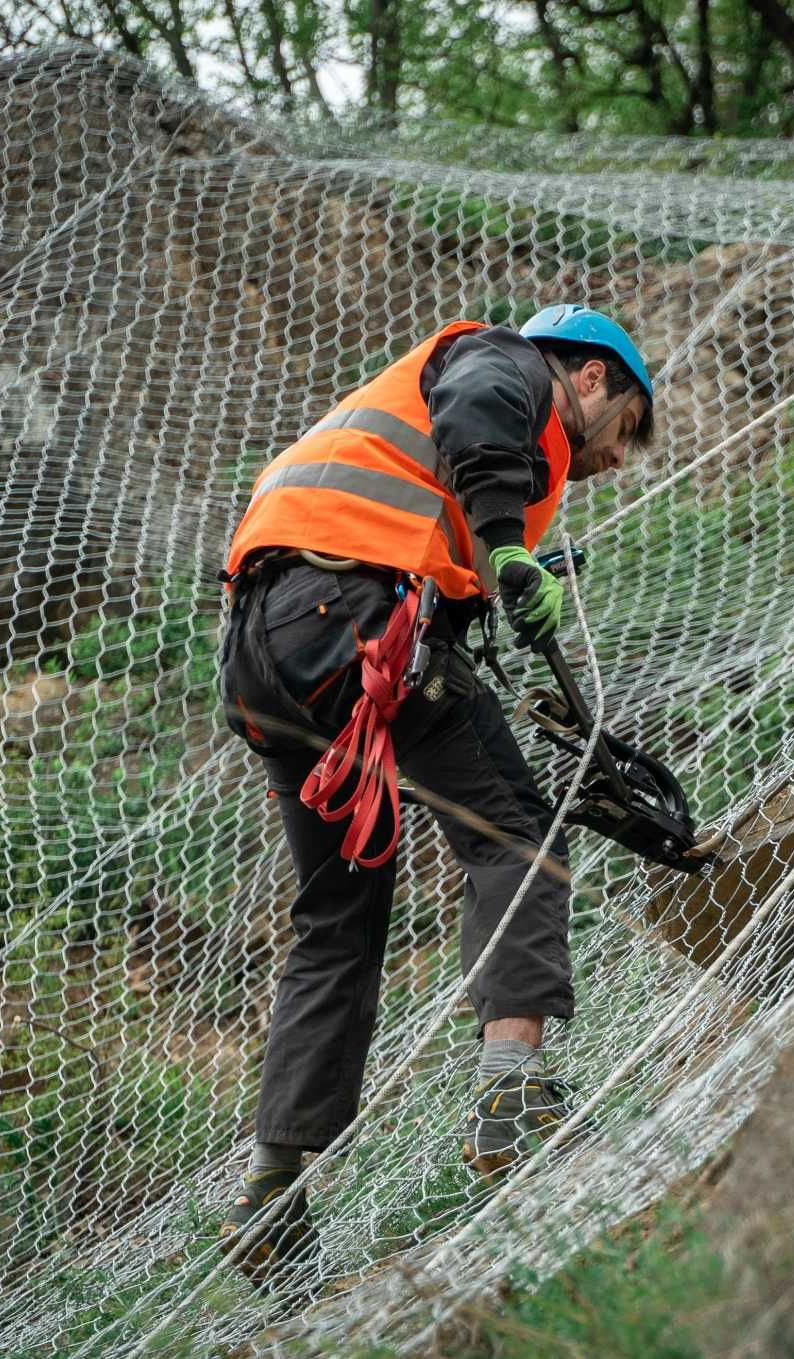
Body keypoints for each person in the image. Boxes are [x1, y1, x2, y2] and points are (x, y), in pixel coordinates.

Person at [212, 304, 654, 1282]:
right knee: (517, 837)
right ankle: (510, 1090)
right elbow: (480, 413)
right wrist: (501, 547)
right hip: (356, 619)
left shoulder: (409, 436)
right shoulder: (500, 361)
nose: (614, 460)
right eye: (623, 428)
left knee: (337, 921)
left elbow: (436, 481)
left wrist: (500, 562)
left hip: (264, 652)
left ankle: (271, 1189)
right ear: (586, 378)